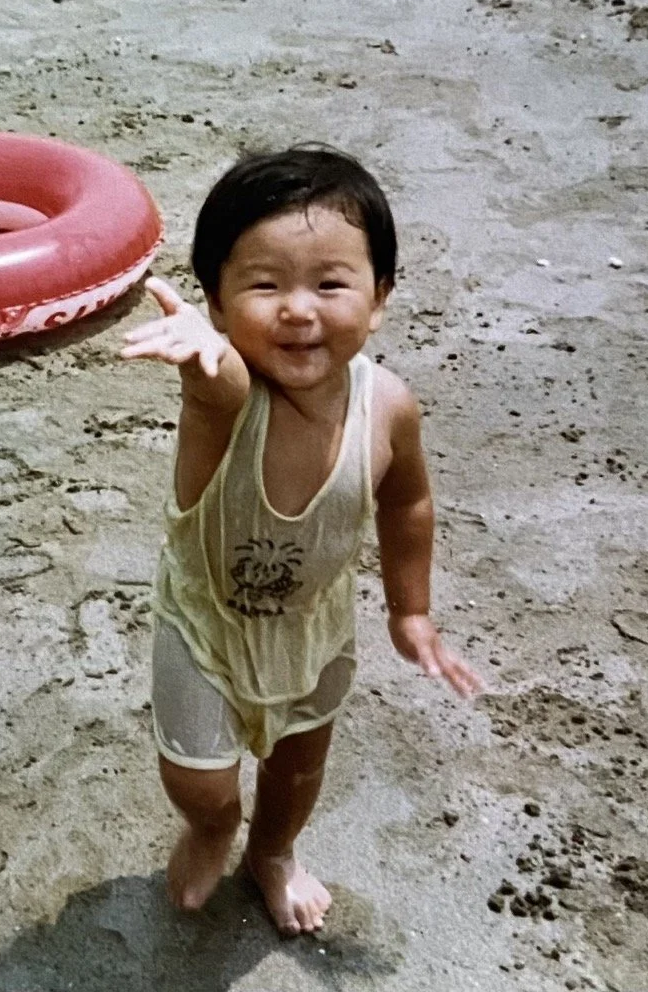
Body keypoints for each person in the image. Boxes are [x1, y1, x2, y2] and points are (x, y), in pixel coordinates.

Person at [120, 145, 483, 937]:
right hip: (206, 627)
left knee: (298, 767)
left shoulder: (388, 407)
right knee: (199, 778)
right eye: (262, 284)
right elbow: (215, 385)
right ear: (216, 302)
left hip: (314, 628)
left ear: (379, 298)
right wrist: (201, 356)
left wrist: (410, 609)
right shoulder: (228, 396)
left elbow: (407, 501)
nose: (298, 308)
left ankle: (274, 853)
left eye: (330, 282)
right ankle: (215, 829)